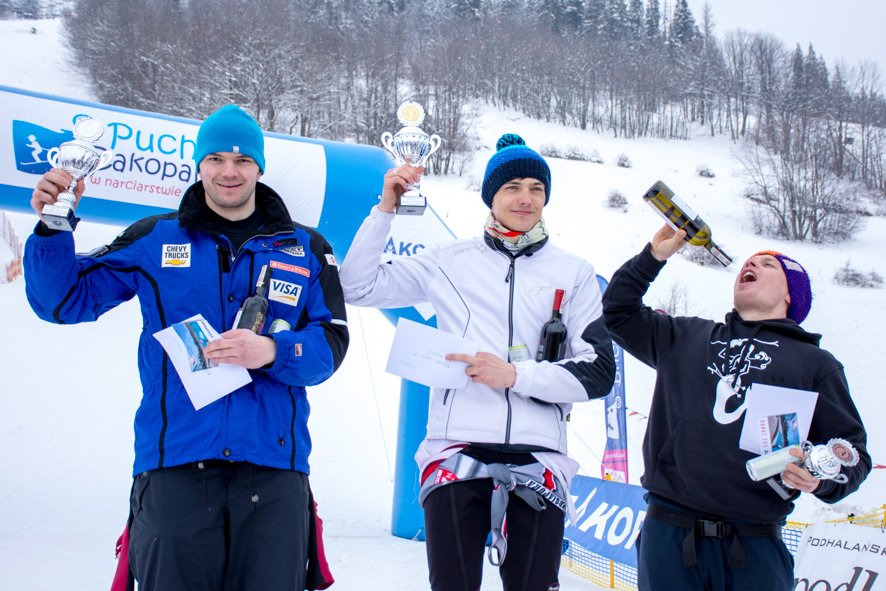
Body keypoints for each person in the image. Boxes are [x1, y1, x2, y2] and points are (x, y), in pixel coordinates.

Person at [24, 105, 348, 591]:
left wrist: (270, 352)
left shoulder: (306, 248)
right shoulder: (154, 237)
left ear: (259, 167)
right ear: (199, 166)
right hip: (176, 465)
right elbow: (63, 301)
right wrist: (53, 227)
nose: (229, 172)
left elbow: (331, 344)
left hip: (273, 470)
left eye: (242, 161)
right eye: (216, 159)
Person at [340, 134, 616, 591]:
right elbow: (356, 287)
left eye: (536, 188)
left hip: (540, 457)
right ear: (491, 196)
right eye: (512, 188)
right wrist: (385, 208)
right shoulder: (450, 260)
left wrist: (516, 376)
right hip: (456, 451)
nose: (525, 198)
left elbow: (598, 371)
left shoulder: (574, 272)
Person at [602, 225, 871, 591]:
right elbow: (618, 312)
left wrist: (821, 478)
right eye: (748, 261)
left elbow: (853, 454)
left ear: (792, 294)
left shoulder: (816, 365)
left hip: (756, 544)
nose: (752, 264)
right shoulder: (686, 336)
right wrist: (653, 257)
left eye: (767, 265)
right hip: (669, 535)